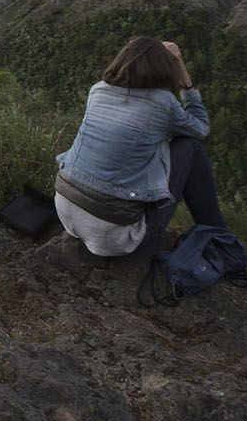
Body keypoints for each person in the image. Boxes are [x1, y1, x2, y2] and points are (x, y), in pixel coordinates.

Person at [53, 36, 228, 257]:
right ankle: (221, 240)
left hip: (67, 211)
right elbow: (201, 128)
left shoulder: (98, 90)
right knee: (190, 147)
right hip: (115, 237)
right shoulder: (162, 102)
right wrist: (182, 72)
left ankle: (219, 238)